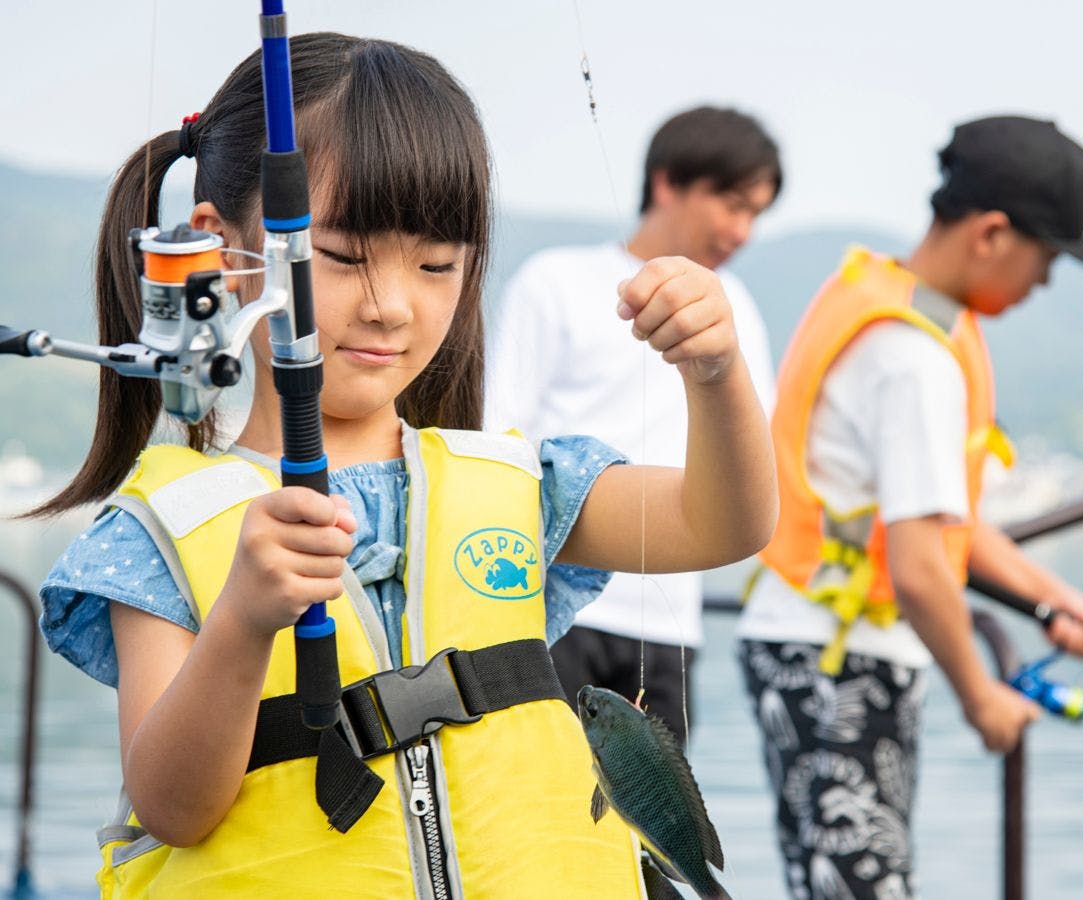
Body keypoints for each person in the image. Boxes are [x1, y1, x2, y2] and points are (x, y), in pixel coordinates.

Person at [35, 34, 777, 898]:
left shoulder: (519, 480)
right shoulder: (163, 528)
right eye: (343, 255)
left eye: (437, 265)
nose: (391, 305)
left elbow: (721, 525)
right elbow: (172, 807)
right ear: (224, 253)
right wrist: (242, 619)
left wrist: (716, 374)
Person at [737, 115, 1083, 899]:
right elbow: (919, 570)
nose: (1044, 283)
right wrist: (983, 697)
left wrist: (1050, 597)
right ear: (992, 233)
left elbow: (943, 522)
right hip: (836, 664)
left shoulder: (890, 307)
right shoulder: (915, 359)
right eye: (1047, 257)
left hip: (814, 648)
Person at [486, 105, 781, 742]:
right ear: (668, 181)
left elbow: (755, 460)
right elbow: (499, 436)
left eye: (756, 213)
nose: (743, 229)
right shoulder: (554, 280)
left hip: (672, 622)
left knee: (656, 834)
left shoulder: (740, 313)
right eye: (731, 203)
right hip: (552, 610)